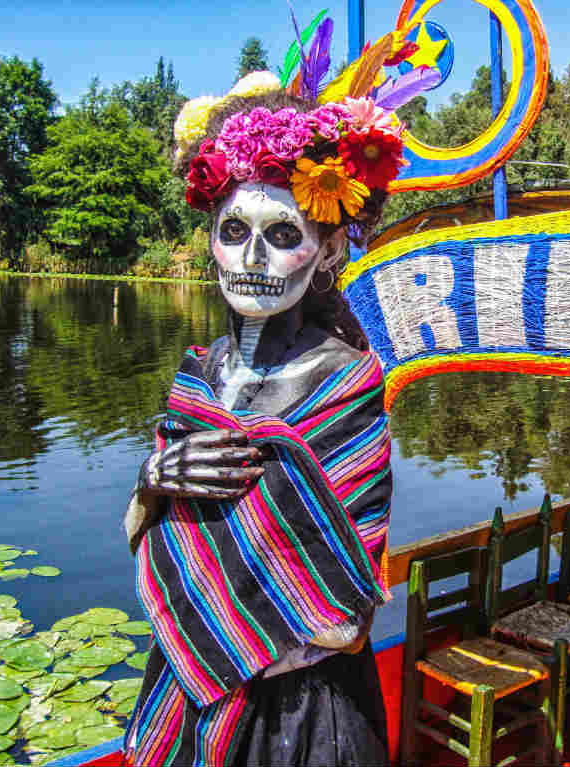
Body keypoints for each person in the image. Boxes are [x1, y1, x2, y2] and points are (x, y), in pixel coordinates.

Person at [119, 64, 423, 765]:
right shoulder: (199, 376)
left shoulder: (345, 384)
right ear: (210, 242)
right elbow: (152, 528)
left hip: (300, 711)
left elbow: (349, 609)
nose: (252, 257)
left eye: (283, 234)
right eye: (234, 229)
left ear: (328, 252)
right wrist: (152, 477)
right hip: (189, 676)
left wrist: (225, 648)